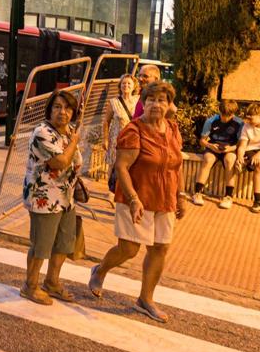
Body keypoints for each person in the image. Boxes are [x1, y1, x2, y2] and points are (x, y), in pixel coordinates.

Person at [88, 80, 186, 323]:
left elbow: (177, 165)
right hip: (136, 197)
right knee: (129, 249)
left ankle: (145, 299)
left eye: (161, 100)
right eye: (150, 100)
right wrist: (133, 199)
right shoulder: (134, 130)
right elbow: (121, 167)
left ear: (169, 105)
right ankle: (100, 270)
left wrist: (181, 195)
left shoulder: (173, 129)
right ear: (143, 103)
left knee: (160, 248)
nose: (155, 104)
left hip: (164, 199)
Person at [21, 90, 83, 304]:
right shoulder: (42, 132)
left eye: (67, 108)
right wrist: (75, 141)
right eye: (57, 107)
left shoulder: (68, 131)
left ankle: (52, 282)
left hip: (66, 198)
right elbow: (61, 161)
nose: (62, 112)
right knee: (41, 245)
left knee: (63, 244)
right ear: (49, 110)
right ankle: (30, 285)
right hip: (44, 198)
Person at [192, 100, 243, 209]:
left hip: (230, 148)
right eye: (223, 115)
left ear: (233, 114)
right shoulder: (211, 121)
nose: (225, 118)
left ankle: (228, 196)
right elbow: (202, 140)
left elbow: (241, 144)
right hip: (213, 147)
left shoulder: (239, 123)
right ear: (219, 111)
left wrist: (230, 148)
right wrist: (210, 146)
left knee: (230, 161)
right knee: (208, 160)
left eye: (228, 116)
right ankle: (197, 193)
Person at [101, 74, 139, 185]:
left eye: (128, 83)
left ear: (134, 86)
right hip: (116, 139)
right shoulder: (113, 102)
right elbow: (106, 121)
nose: (126, 85)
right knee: (113, 164)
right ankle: (111, 187)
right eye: (123, 83)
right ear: (120, 85)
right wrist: (105, 139)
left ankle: (124, 189)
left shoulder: (138, 101)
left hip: (132, 139)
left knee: (130, 165)